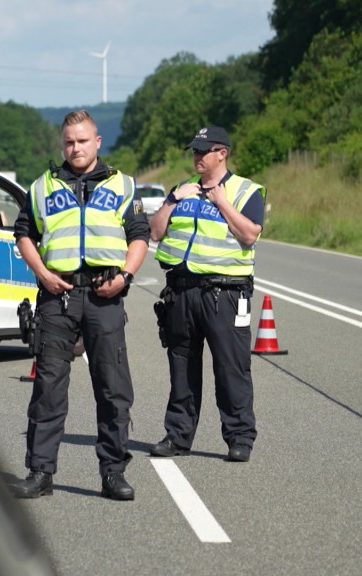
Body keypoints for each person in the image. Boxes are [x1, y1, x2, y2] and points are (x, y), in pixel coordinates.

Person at [12, 110, 149, 501]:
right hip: (58, 295)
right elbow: (24, 233)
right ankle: (40, 473)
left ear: (97, 141)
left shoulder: (122, 185)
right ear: (62, 144)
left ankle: (113, 473)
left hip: (106, 294)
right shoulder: (42, 187)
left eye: (82, 141)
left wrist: (126, 275)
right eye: (69, 142)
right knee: (48, 387)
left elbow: (139, 235)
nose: (75, 148)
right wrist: (41, 273)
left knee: (112, 388)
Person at [148, 125, 266, 463]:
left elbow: (249, 235)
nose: (197, 157)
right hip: (182, 292)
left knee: (232, 368)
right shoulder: (181, 190)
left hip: (224, 294)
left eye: (203, 151)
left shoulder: (246, 191)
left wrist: (223, 203)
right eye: (194, 151)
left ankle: (239, 437)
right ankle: (178, 435)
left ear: (222, 153)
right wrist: (172, 200)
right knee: (181, 368)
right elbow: (156, 231)